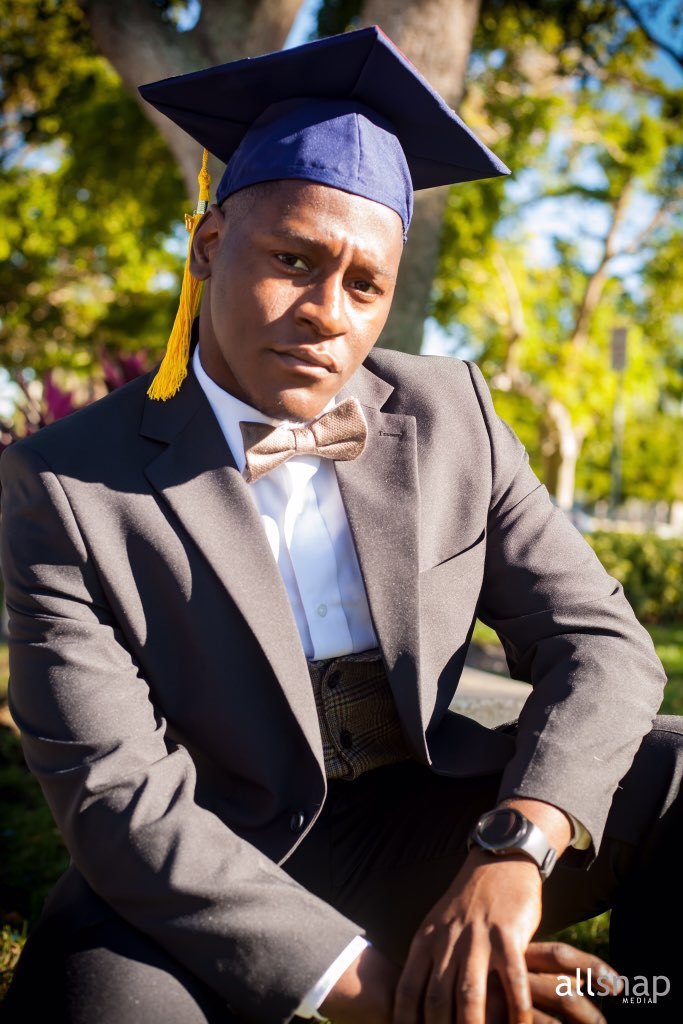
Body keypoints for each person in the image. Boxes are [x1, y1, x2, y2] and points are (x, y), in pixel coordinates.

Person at [1, 24, 681, 1024]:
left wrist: (516, 845)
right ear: (208, 244)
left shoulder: (453, 415)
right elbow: (117, 799)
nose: (327, 311)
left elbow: (601, 644)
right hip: (208, 862)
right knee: (92, 1006)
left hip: (429, 825)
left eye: (365, 284)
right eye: (292, 258)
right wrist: (382, 991)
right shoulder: (63, 483)